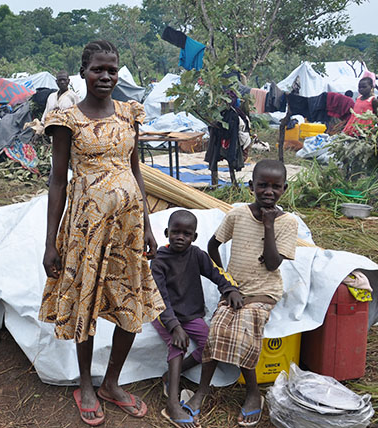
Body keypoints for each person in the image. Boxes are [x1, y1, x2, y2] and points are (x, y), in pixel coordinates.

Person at [41, 40, 163, 426]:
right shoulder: (67, 120)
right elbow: (58, 182)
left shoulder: (130, 114)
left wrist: (147, 224)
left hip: (128, 228)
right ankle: (86, 385)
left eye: (112, 70)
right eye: (98, 69)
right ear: (84, 72)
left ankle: (111, 382)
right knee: (86, 304)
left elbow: (136, 173)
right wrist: (50, 242)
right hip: (85, 230)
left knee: (130, 305)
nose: (106, 76)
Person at [182, 159, 298, 427]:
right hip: (235, 291)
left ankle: (253, 393)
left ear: (284, 189)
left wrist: (268, 225)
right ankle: (201, 390)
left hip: (264, 294)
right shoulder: (237, 215)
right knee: (217, 329)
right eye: (262, 186)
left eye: (275, 187)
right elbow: (213, 245)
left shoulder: (287, 223)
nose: (268, 192)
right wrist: (226, 282)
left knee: (246, 328)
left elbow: (272, 263)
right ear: (251, 187)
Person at [151, 210, 241, 428]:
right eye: (175, 232)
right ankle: (173, 404)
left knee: (210, 344)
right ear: (166, 233)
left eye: (186, 233)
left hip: (191, 314)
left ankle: (172, 375)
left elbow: (216, 272)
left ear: (194, 237)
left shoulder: (197, 254)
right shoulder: (159, 262)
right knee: (178, 346)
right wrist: (174, 327)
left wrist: (230, 289)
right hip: (165, 315)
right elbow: (160, 299)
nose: (180, 237)